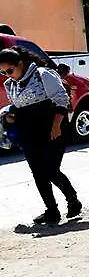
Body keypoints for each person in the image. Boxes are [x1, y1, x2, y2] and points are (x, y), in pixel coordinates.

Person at [0, 46, 82, 226]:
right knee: (38, 173)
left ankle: (73, 201)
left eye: (10, 70)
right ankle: (51, 210)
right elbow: (17, 106)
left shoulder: (43, 74)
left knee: (51, 170)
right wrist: (11, 116)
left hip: (52, 128)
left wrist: (56, 126)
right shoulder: (9, 84)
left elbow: (61, 99)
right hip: (27, 133)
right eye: (3, 72)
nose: (7, 75)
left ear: (20, 63)